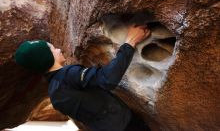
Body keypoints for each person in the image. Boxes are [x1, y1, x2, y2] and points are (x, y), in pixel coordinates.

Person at [15, 25, 151, 131]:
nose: (58, 50)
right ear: (46, 58)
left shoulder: (54, 94)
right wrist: (130, 42)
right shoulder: (68, 75)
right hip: (128, 126)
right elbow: (108, 79)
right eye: (52, 49)